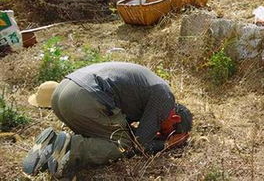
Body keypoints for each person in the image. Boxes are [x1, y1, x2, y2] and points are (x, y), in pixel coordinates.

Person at [22, 62, 192, 178]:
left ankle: (52, 144)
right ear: (174, 117)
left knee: (110, 136)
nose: (159, 133)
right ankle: (70, 146)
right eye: (164, 131)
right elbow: (138, 144)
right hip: (85, 98)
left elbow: (125, 129)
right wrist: (166, 145)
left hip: (62, 92)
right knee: (123, 145)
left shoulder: (152, 87)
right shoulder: (165, 97)